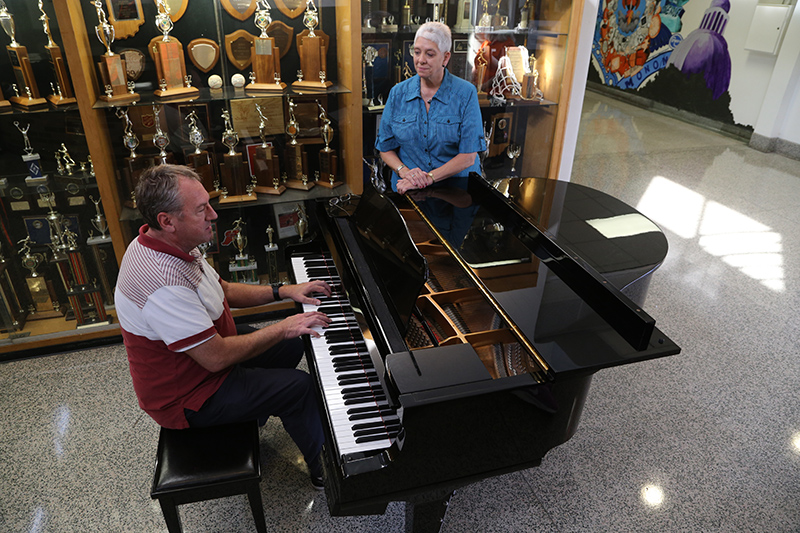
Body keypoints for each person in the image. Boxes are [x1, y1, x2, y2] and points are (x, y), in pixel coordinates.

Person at [114, 164, 331, 489]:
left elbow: (224, 289)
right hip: (189, 395)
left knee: (294, 342)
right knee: (298, 387)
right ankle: (325, 471)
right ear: (167, 221)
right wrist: (285, 326)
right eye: (202, 209)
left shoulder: (171, 243)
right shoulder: (162, 284)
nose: (213, 215)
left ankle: (253, 411)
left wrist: (283, 291)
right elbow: (215, 358)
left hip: (205, 357)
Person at [376, 21, 486, 194]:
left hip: (456, 191)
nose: (421, 60)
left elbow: (468, 157)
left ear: (446, 57)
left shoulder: (466, 94)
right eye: (417, 52)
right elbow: (385, 147)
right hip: (408, 188)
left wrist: (428, 178)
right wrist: (406, 173)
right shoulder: (398, 94)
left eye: (430, 54)